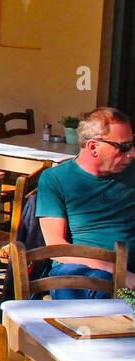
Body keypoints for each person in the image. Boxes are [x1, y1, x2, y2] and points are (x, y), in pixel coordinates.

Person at [35, 107, 135, 298]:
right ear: (93, 147)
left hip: (130, 270)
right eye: (123, 147)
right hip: (81, 269)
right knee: (85, 284)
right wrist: (116, 270)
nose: (130, 153)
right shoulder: (56, 179)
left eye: (131, 144)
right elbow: (56, 247)